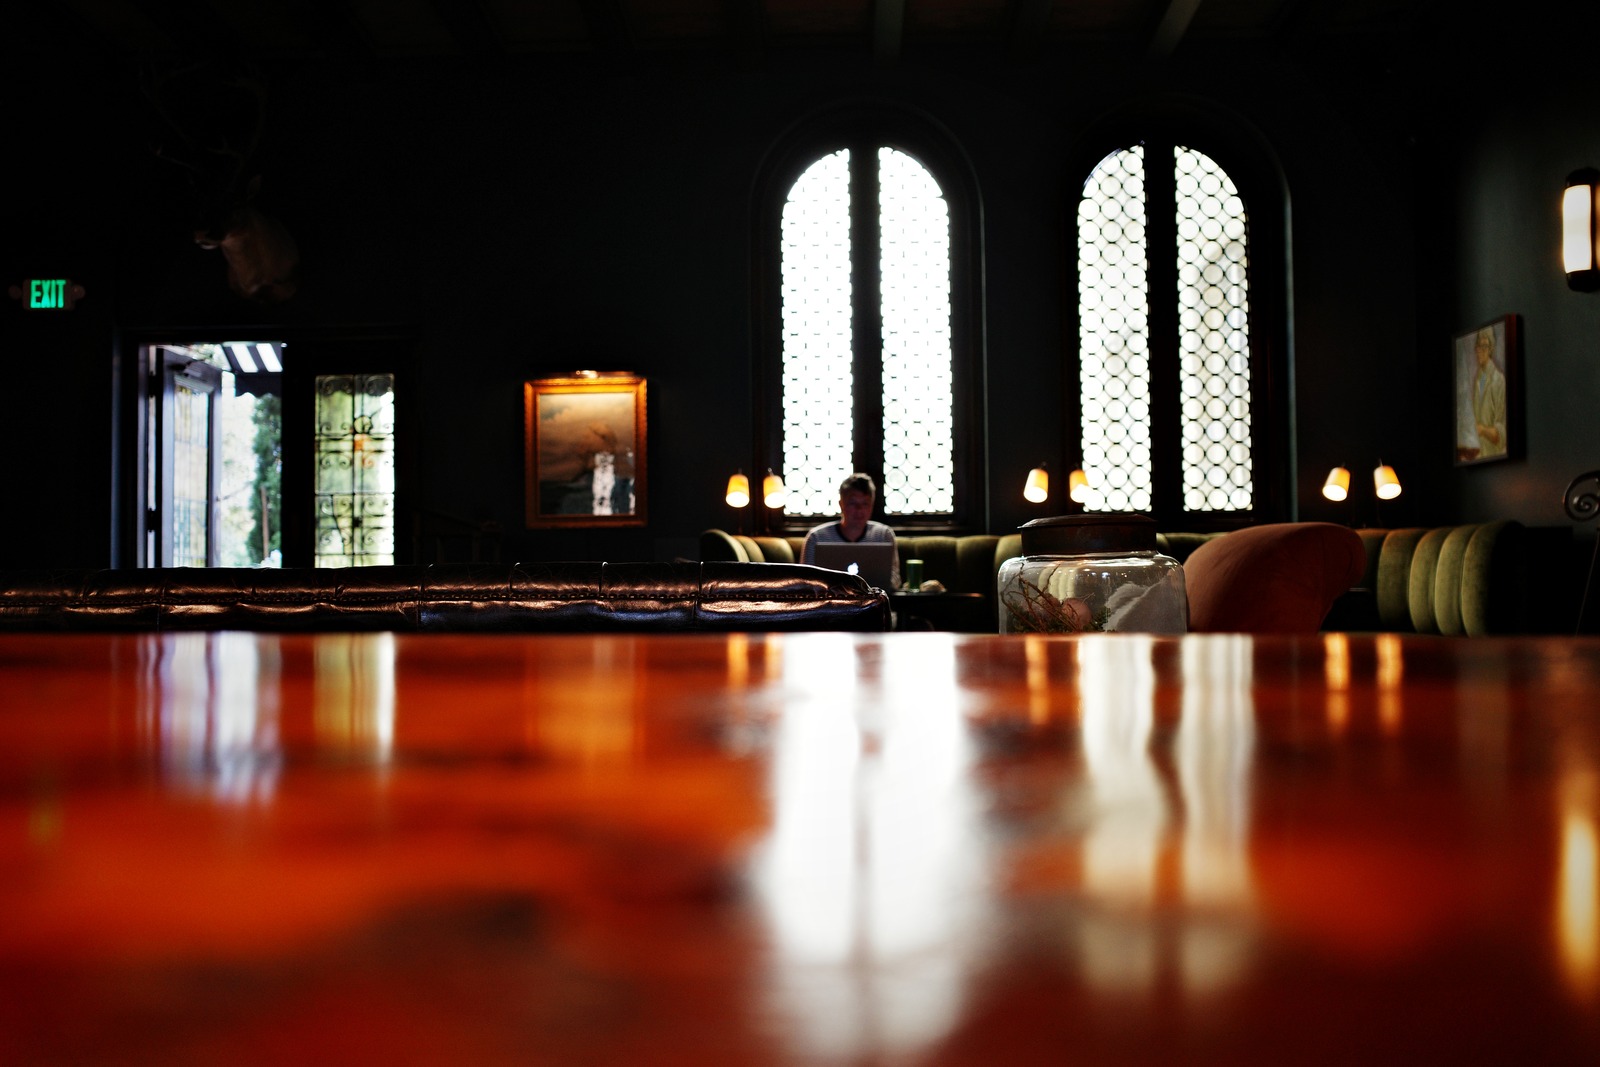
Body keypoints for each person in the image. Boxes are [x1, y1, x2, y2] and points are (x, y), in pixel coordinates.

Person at [802, 472, 900, 588]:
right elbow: (804, 582)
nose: (859, 510)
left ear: (872, 505)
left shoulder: (883, 535)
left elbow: (894, 580)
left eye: (865, 504)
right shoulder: (816, 538)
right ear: (841, 504)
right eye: (853, 503)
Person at [1472, 326, 1507, 459]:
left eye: (1484, 347)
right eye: (1478, 347)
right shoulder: (1478, 380)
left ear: (1490, 348)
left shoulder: (1498, 380)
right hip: (1480, 454)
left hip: (1494, 454)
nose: (1479, 351)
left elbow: (1501, 433)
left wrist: (1482, 430)